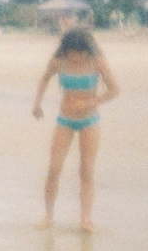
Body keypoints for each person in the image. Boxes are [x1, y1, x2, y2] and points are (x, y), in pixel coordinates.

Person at [32, 28, 120, 233]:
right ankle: (48, 216)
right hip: (65, 120)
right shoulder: (59, 61)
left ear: (87, 50)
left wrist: (91, 102)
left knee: (86, 171)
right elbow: (44, 79)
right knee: (54, 170)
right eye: (72, 53)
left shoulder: (97, 61)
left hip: (90, 121)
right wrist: (37, 103)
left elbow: (114, 90)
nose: (76, 57)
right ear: (66, 50)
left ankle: (85, 219)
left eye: (80, 53)